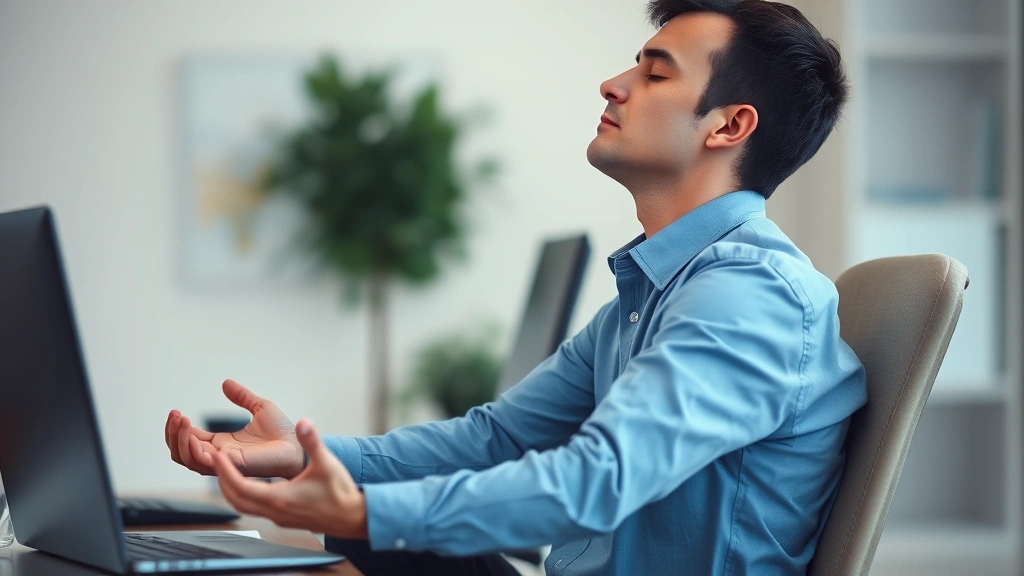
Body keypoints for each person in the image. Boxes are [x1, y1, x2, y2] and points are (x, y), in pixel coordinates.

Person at [164, 0, 867, 574]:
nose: (612, 84)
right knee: (374, 541)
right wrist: (310, 456)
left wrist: (363, 510)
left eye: (654, 75)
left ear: (729, 125)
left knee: (373, 533)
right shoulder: (655, 292)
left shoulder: (752, 296)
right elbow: (496, 438)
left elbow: (598, 481)